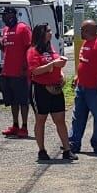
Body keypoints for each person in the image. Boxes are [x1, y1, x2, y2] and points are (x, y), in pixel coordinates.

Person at [27, 22, 74, 162]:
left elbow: (57, 68)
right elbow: (34, 71)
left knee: (60, 120)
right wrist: (52, 65)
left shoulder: (51, 48)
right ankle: (41, 150)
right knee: (41, 120)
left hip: (56, 89)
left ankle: (67, 150)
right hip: (40, 89)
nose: (51, 32)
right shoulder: (32, 51)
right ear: (41, 33)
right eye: (48, 30)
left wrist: (62, 76)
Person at [69, 20, 97, 154]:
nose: (80, 32)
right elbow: (83, 61)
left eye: (82, 29)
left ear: (88, 30)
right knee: (77, 116)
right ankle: (74, 143)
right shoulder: (85, 42)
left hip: (95, 88)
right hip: (82, 87)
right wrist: (77, 76)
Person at [0, 7, 32, 138]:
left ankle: (25, 127)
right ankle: (15, 125)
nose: (3, 18)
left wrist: (25, 65)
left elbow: (29, 48)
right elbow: (5, 50)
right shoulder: (5, 30)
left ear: (12, 15)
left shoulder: (23, 28)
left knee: (23, 101)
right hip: (7, 72)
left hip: (20, 72)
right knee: (12, 101)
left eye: (4, 15)